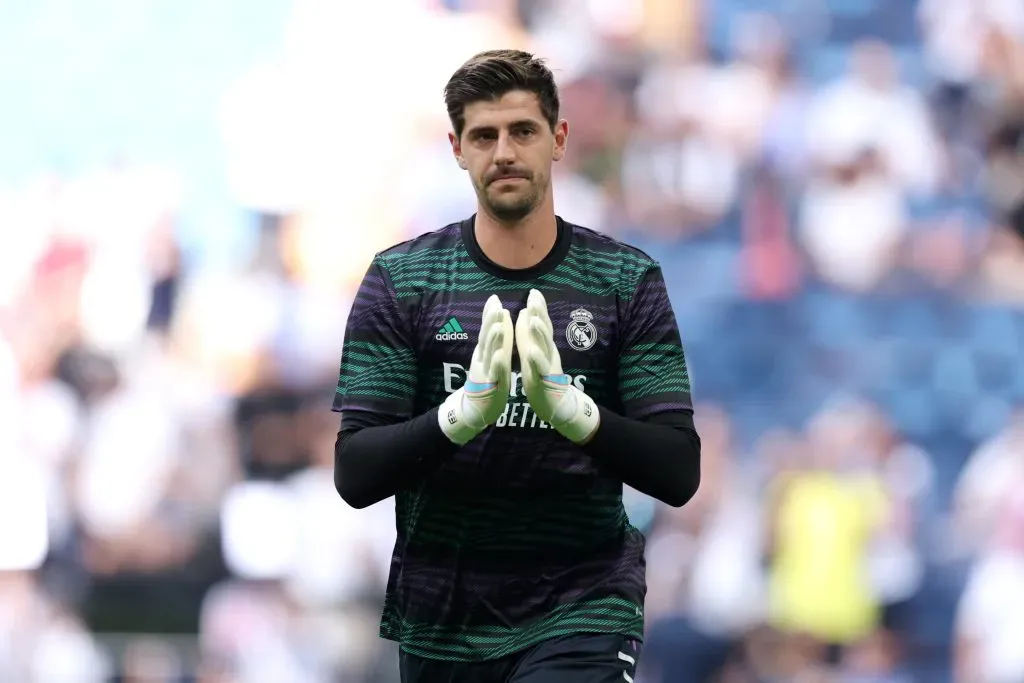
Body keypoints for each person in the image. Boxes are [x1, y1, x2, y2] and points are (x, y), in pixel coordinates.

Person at [332, 49, 701, 683]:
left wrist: (576, 414)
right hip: (442, 619)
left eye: (522, 131)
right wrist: (457, 417)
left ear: (558, 139)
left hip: (583, 605)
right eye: (484, 135)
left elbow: (678, 469)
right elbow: (355, 473)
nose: (504, 151)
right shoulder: (403, 280)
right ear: (457, 148)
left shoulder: (624, 280)